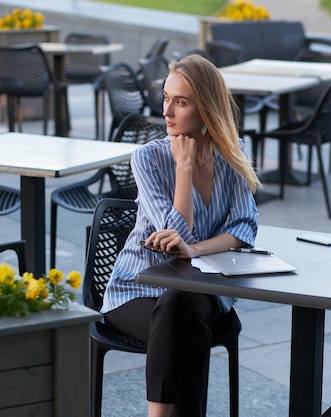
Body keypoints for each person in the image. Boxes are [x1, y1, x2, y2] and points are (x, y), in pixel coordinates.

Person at [101, 54, 261, 417]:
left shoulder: (232, 157)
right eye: (166, 97)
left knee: (179, 306)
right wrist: (184, 169)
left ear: (206, 108)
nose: (167, 111)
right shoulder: (148, 158)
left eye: (181, 101)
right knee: (189, 329)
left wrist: (194, 249)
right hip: (134, 289)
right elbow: (173, 235)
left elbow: (244, 228)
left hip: (205, 289)